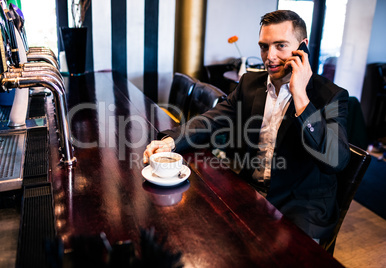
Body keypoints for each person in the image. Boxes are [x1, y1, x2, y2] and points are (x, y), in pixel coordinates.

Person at [143, 10, 350, 241]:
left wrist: (300, 97)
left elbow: (336, 161)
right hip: (251, 191)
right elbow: (212, 118)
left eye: (280, 45)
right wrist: (172, 140)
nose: (269, 56)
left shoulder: (332, 96)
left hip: (301, 207)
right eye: (264, 46)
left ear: (303, 47)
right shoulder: (250, 83)